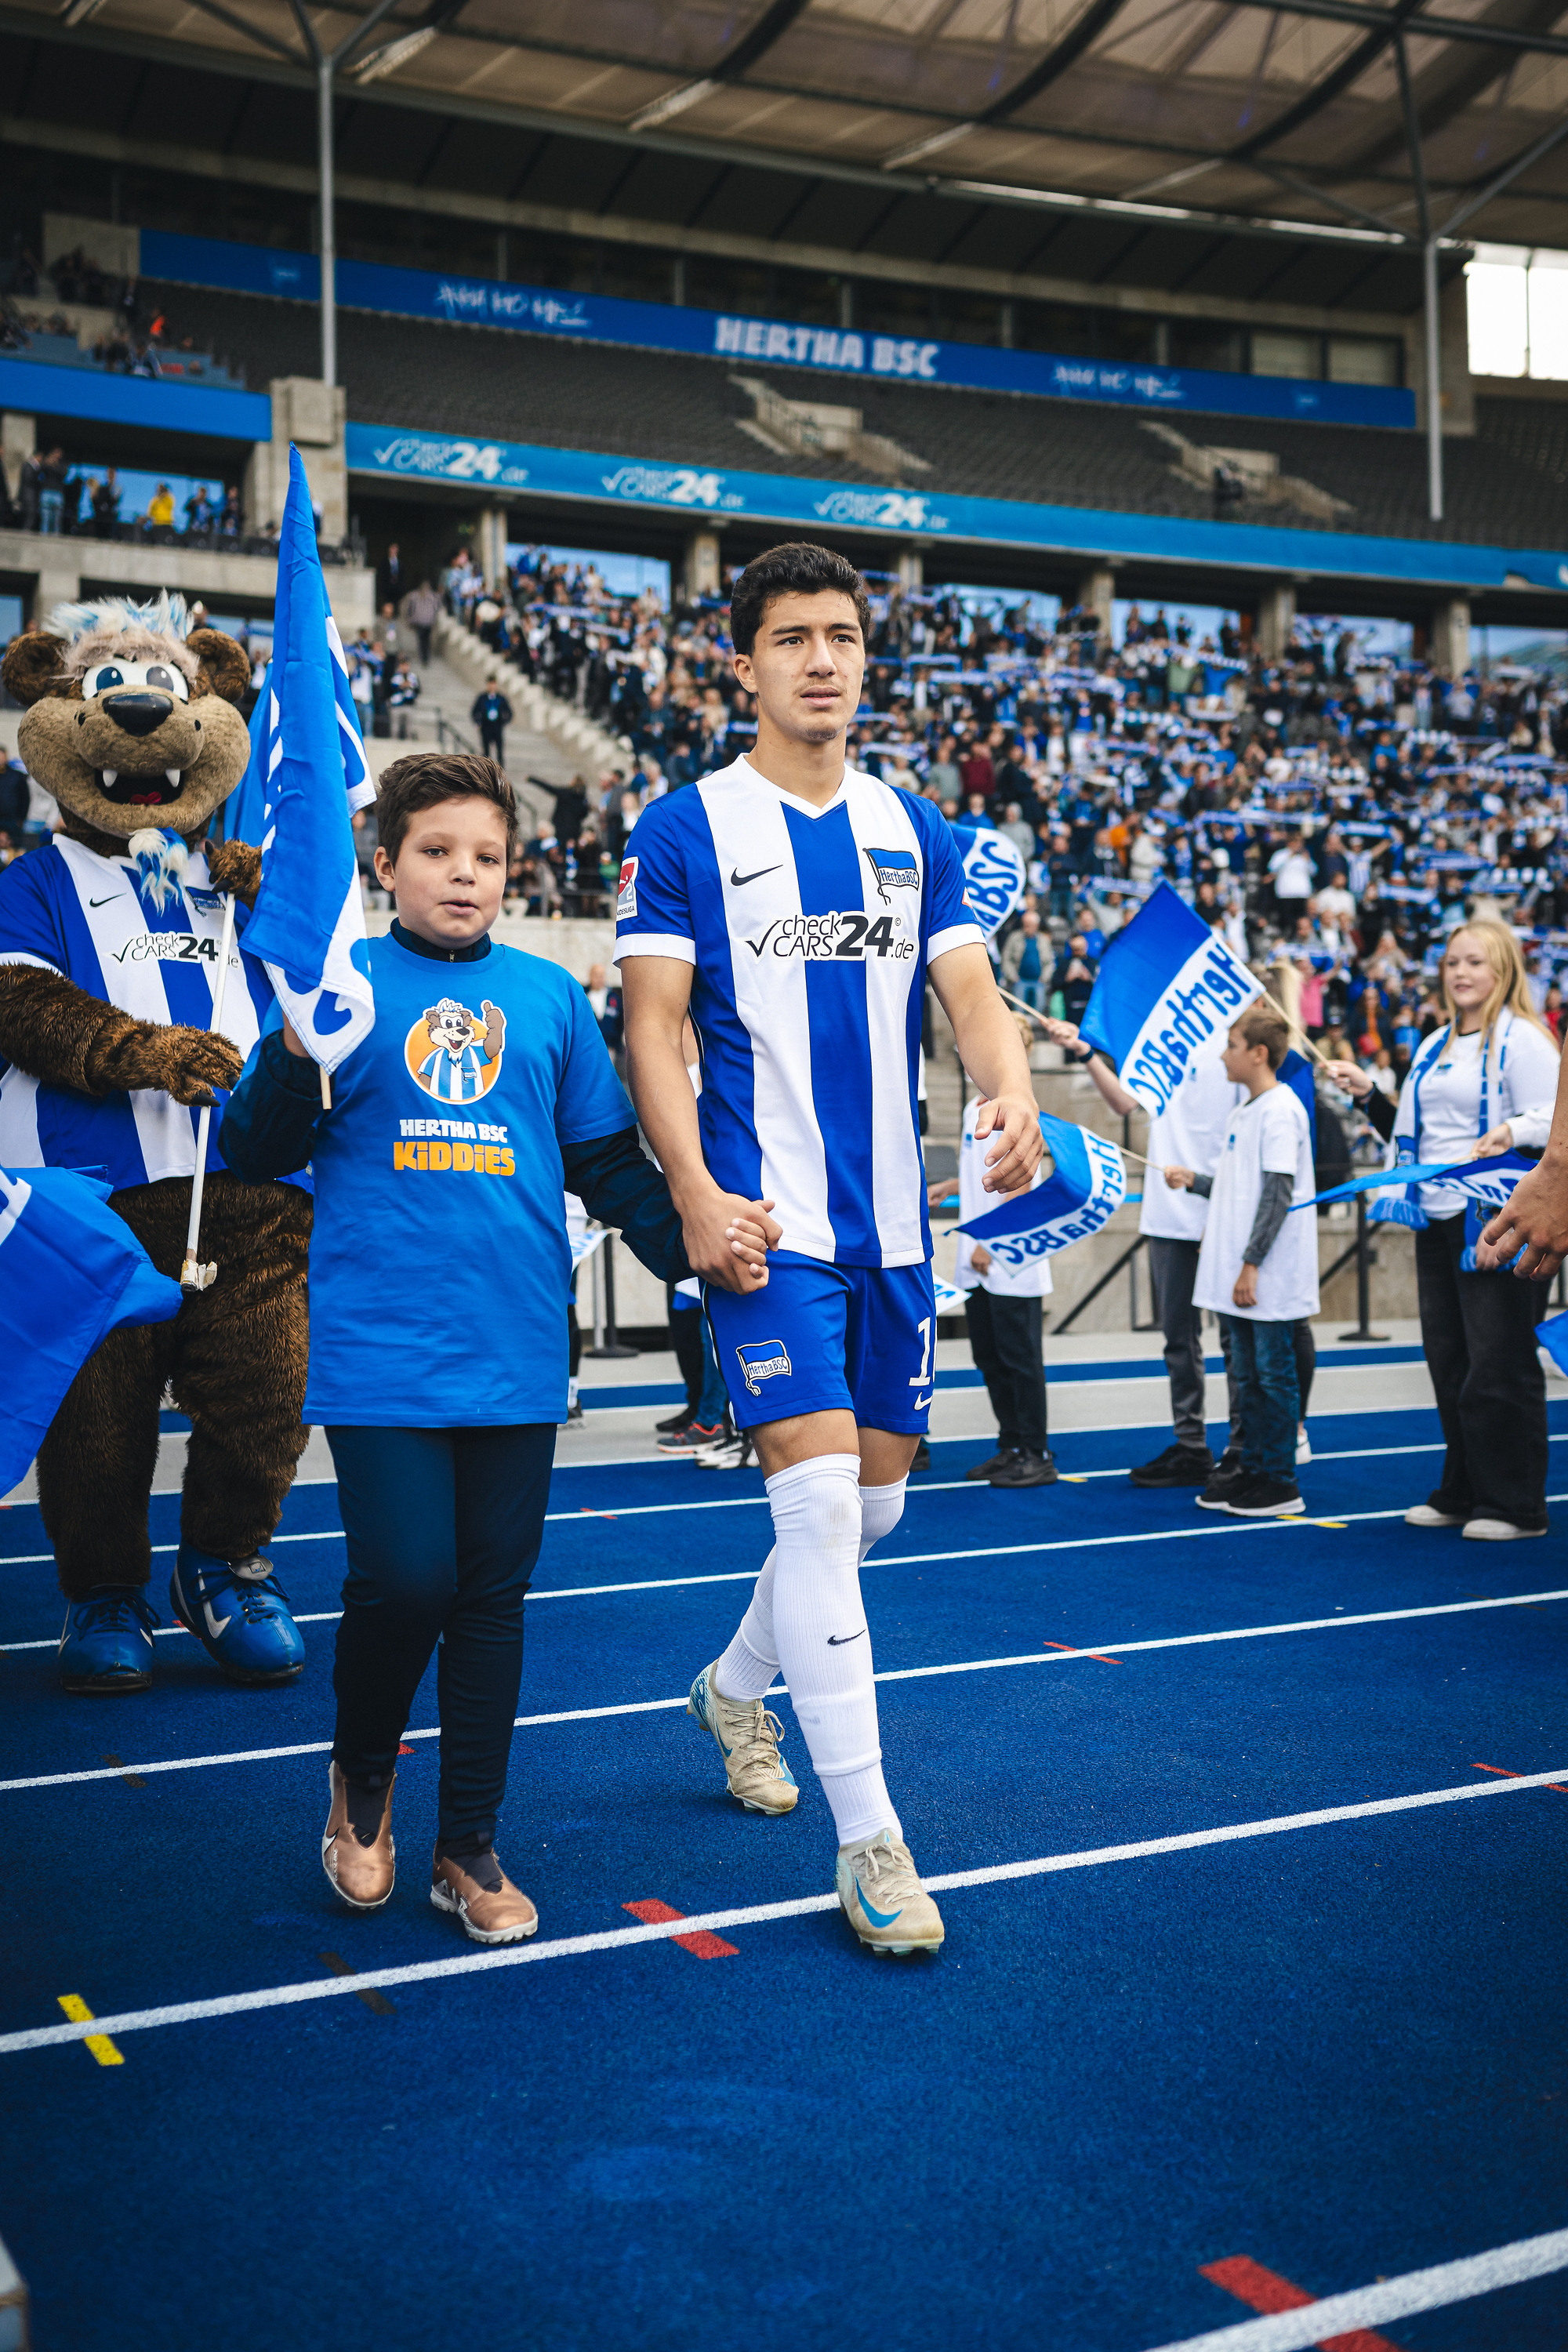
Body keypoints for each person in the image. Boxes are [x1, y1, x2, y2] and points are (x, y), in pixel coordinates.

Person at [222, 750, 778, 1942]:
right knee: (407, 1579)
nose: (463, 876)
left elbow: (607, 1164)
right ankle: (361, 1781)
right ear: (384, 865)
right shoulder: (341, 985)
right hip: (382, 1354)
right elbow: (252, 1147)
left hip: (518, 1351)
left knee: (490, 1600)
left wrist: (699, 1240)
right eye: (436, 853)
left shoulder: (546, 999)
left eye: (487, 857)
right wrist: (292, 1049)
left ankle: (466, 1844)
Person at [617, 540, 1042, 1955]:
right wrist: (688, 1190)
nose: (821, 658)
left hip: (895, 1237)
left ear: (867, 657)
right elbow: (656, 1027)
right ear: (740, 662)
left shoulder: (914, 828)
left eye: (843, 636)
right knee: (812, 1516)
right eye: (790, 636)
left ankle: (734, 1689)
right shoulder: (684, 828)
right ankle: (873, 1843)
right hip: (767, 1230)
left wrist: (1013, 1083)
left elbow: (969, 987)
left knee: (871, 1516)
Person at [1327, 921, 1561, 1540]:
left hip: (1497, 1222)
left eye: (1475, 962)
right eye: (1452, 961)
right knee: (1451, 1364)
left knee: (1499, 1361)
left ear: (1503, 968)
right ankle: (1463, 1489)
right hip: (1435, 1216)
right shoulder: (1433, 1044)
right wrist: (1369, 1095)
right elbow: (1417, 1141)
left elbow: (1554, 1120)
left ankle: (1515, 1504)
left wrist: (1514, 1131)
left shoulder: (1527, 1042)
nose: (1460, 973)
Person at [1047, 1014, 1240, 1491]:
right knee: (1179, 1340)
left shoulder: (1235, 1041)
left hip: (1222, 1206)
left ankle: (1245, 1448)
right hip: (1169, 1212)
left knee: (1237, 1342)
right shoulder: (1161, 1039)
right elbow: (1124, 1102)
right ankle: (1192, 1444)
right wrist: (1085, 1052)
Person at [1166, 1000, 1318, 1519]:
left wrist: (1252, 1262)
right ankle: (1254, 1467)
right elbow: (1241, 1186)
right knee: (1250, 1377)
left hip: (1264, 1274)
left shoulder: (1280, 1109)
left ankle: (1279, 1478)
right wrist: (1196, 1181)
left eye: (1231, 1046)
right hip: (1240, 1271)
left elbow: (1277, 1193)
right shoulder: (1246, 1110)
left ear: (1257, 1053)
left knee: (1273, 1376)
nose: (1222, 1056)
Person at [936, 1040, 1055, 1487]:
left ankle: (1037, 1451)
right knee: (988, 1354)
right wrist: (952, 1184)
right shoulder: (976, 1108)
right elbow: (983, 1169)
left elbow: (1023, 1183)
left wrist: (992, 1239)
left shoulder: (1014, 1108)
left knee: (1020, 1358)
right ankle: (1011, 1445)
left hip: (1009, 1257)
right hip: (979, 1255)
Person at [473, 677, 512, 765]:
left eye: (494, 684)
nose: (492, 686)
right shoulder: (482, 697)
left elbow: (509, 712)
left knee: (500, 750)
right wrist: (478, 722)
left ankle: (500, 771)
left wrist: (504, 722)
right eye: (490, 684)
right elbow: (474, 711)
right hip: (486, 726)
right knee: (485, 751)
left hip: (497, 726)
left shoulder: (501, 698)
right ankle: (486, 770)